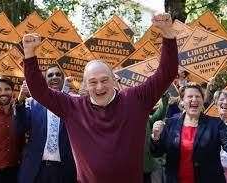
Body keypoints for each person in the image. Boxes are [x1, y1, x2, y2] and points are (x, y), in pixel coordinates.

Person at [22, 13, 178, 183]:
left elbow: (167, 73)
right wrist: (30, 54)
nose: (99, 87)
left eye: (104, 80)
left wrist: (168, 34)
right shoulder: (72, 106)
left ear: (114, 80)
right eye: (93, 82)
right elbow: (39, 91)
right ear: (85, 85)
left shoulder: (136, 99)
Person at [150, 82, 227, 183]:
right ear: (182, 101)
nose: (194, 99)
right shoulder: (170, 123)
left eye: (198, 96)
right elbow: (157, 152)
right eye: (190, 96)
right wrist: (156, 137)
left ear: (202, 101)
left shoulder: (216, 124)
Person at [15, 66, 77, 183]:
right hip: (37, 169)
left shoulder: (73, 103)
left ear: (63, 80)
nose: (54, 77)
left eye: (58, 74)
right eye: (50, 75)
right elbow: (20, 127)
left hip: (64, 170)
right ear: (44, 81)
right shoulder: (33, 103)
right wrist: (21, 99)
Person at [0, 75, 23, 183]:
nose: (3, 93)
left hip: (12, 173)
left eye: (7, 89)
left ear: (12, 92)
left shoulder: (19, 115)